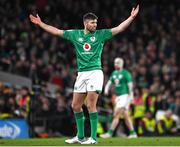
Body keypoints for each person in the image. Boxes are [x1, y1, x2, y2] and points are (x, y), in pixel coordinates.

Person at [29, 5, 139, 144]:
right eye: (93, 22)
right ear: (86, 23)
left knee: (90, 105)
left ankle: (93, 138)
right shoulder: (76, 34)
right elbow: (57, 31)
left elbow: (119, 28)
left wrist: (131, 17)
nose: (95, 25)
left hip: (95, 73)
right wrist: (41, 23)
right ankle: (80, 137)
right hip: (81, 74)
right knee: (75, 106)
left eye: (96, 23)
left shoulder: (100, 34)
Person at [100, 58, 137, 138]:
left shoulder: (126, 73)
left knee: (116, 114)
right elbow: (110, 82)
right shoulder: (114, 73)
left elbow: (130, 86)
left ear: (122, 64)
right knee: (126, 115)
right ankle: (133, 133)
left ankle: (110, 133)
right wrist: (106, 89)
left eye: (117, 63)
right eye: (115, 63)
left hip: (125, 96)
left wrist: (131, 97)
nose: (116, 64)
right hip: (118, 97)